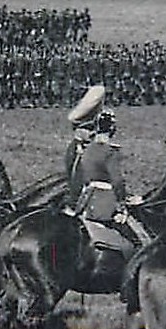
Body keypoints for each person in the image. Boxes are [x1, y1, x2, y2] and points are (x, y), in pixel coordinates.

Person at [65, 85, 147, 252]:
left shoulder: (87, 150)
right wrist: (123, 205)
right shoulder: (110, 152)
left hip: (88, 201)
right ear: (112, 129)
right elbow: (117, 181)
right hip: (105, 203)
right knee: (139, 240)